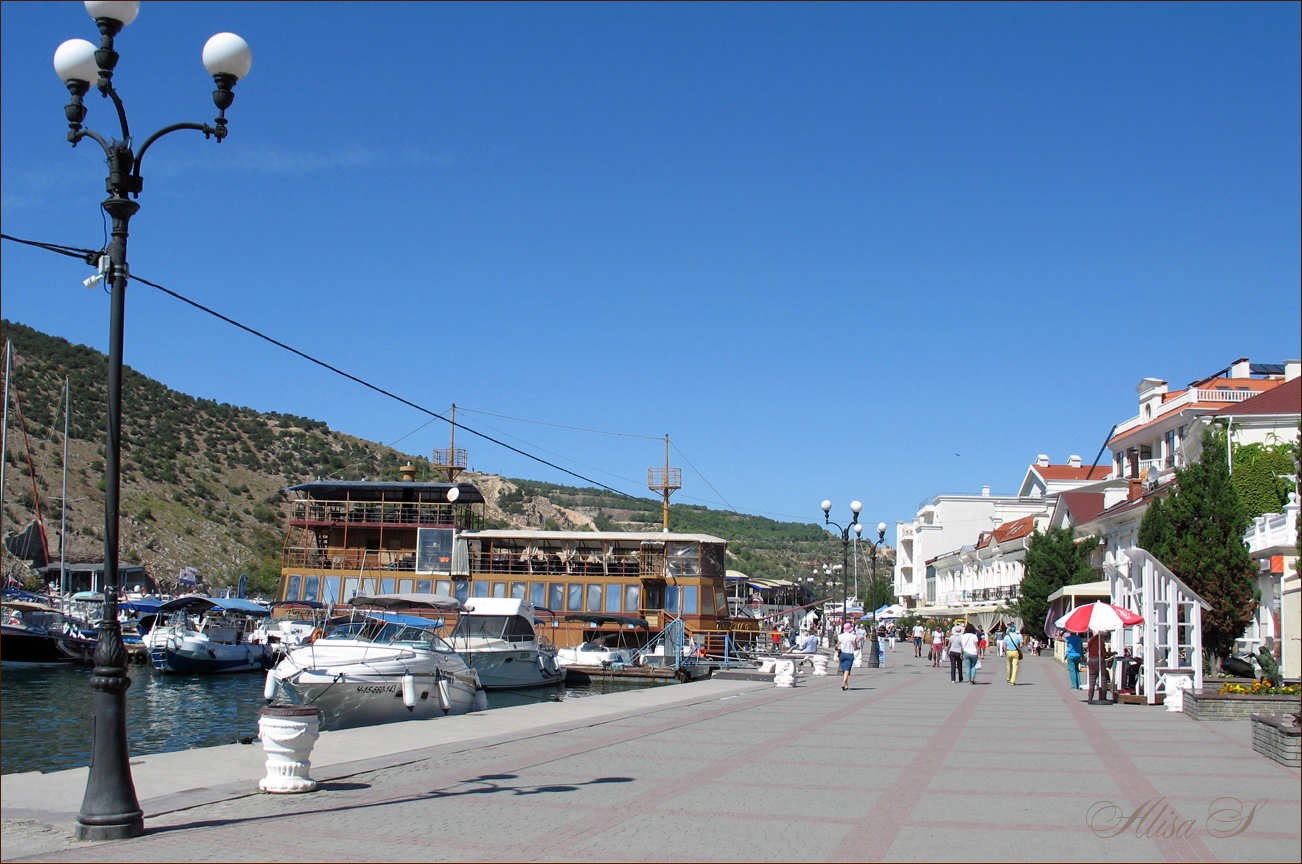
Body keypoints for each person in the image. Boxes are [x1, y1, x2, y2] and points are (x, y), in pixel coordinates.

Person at [1087, 631, 1112, 702]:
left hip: (1091, 661)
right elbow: (1104, 654)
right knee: (1103, 678)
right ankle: (1102, 697)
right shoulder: (1100, 641)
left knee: (1092, 680)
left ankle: (1090, 697)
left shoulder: (1091, 640)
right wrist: (1111, 653)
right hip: (1099, 661)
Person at [837, 623, 861, 690]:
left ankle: (846, 685)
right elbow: (855, 647)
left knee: (844, 670)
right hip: (849, 654)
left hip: (842, 654)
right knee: (847, 670)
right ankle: (843, 683)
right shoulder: (852, 637)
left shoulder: (840, 636)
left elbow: (837, 645)